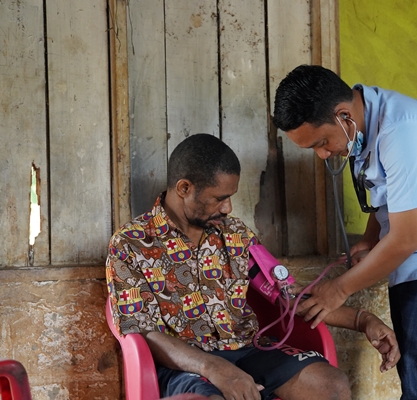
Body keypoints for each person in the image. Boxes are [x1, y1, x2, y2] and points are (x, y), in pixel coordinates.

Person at [105, 133, 399, 400]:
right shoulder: (130, 244)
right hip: (184, 363)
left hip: (248, 350)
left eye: (230, 198)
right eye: (219, 198)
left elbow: (288, 295)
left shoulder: (236, 235)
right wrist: (215, 367)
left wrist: (363, 320)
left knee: (330, 385)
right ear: (184, 188)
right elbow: (142, 331)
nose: (227, 209)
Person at [272, 65, 417, 399]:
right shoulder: (363, 125)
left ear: (344, 115)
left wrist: (339, 289)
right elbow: (390, 195)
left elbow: (406, 238)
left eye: (321, 143)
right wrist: (370, 238)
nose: (322, 155)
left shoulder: (403, 132)